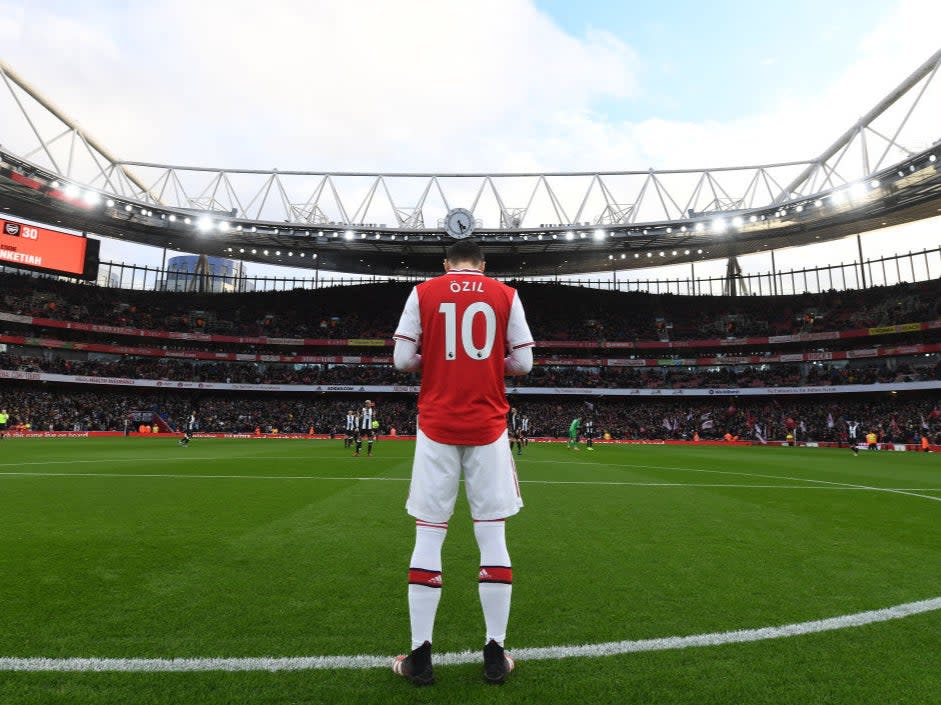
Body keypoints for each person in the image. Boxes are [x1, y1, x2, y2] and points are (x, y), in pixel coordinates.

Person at [391, 239, 533, 686]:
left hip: (436, 425)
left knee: (429, 536)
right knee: (492, 537)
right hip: (488, 426)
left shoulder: (423, 292)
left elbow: (399, 360)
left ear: (445, 264)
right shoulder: (505, 294)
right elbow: (525, 363)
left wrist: (430, 359)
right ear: (483, 265)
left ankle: (420, 658)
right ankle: (494, 655)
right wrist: (495, 363)